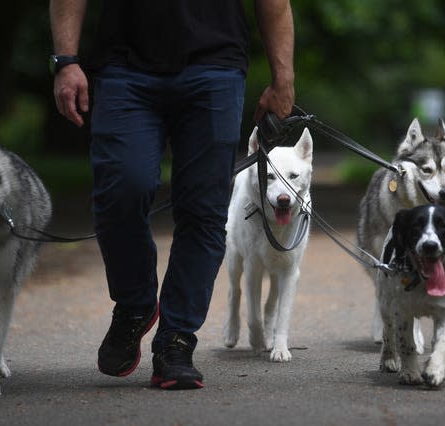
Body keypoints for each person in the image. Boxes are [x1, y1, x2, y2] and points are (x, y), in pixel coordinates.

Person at [50, 0, 295, 390]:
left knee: (204, 209)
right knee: (122, 188)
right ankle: (134, 304)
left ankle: (176, 341)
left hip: (215, 66)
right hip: (123, 66)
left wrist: (283, 77)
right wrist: (66, 59)